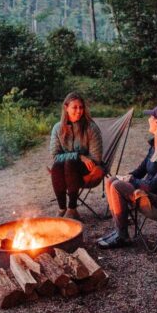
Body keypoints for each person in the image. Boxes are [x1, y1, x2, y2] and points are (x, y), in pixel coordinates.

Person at [97, 104, 157, 249]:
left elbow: (155, 185)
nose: (148, 120)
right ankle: (119, 230)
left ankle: (122, 237)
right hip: (151, 192)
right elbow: (141, 169)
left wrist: (131, 181)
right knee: (111, 180)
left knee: (117, 186)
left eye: (151, 117)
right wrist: (128, 176)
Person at [48, 92, 103, 220]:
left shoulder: (91, 128)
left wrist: (78, 159)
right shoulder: (57, 128)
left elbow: (96, 158)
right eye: (75, 107)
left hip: (88, 169)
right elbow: (55, 156)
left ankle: (72, 208)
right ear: (66, 108)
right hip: (66, 169)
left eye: (81, 107)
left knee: (69, 162)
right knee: (58, 165)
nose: (79, 111)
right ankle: (62, 208)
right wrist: (78, 156)